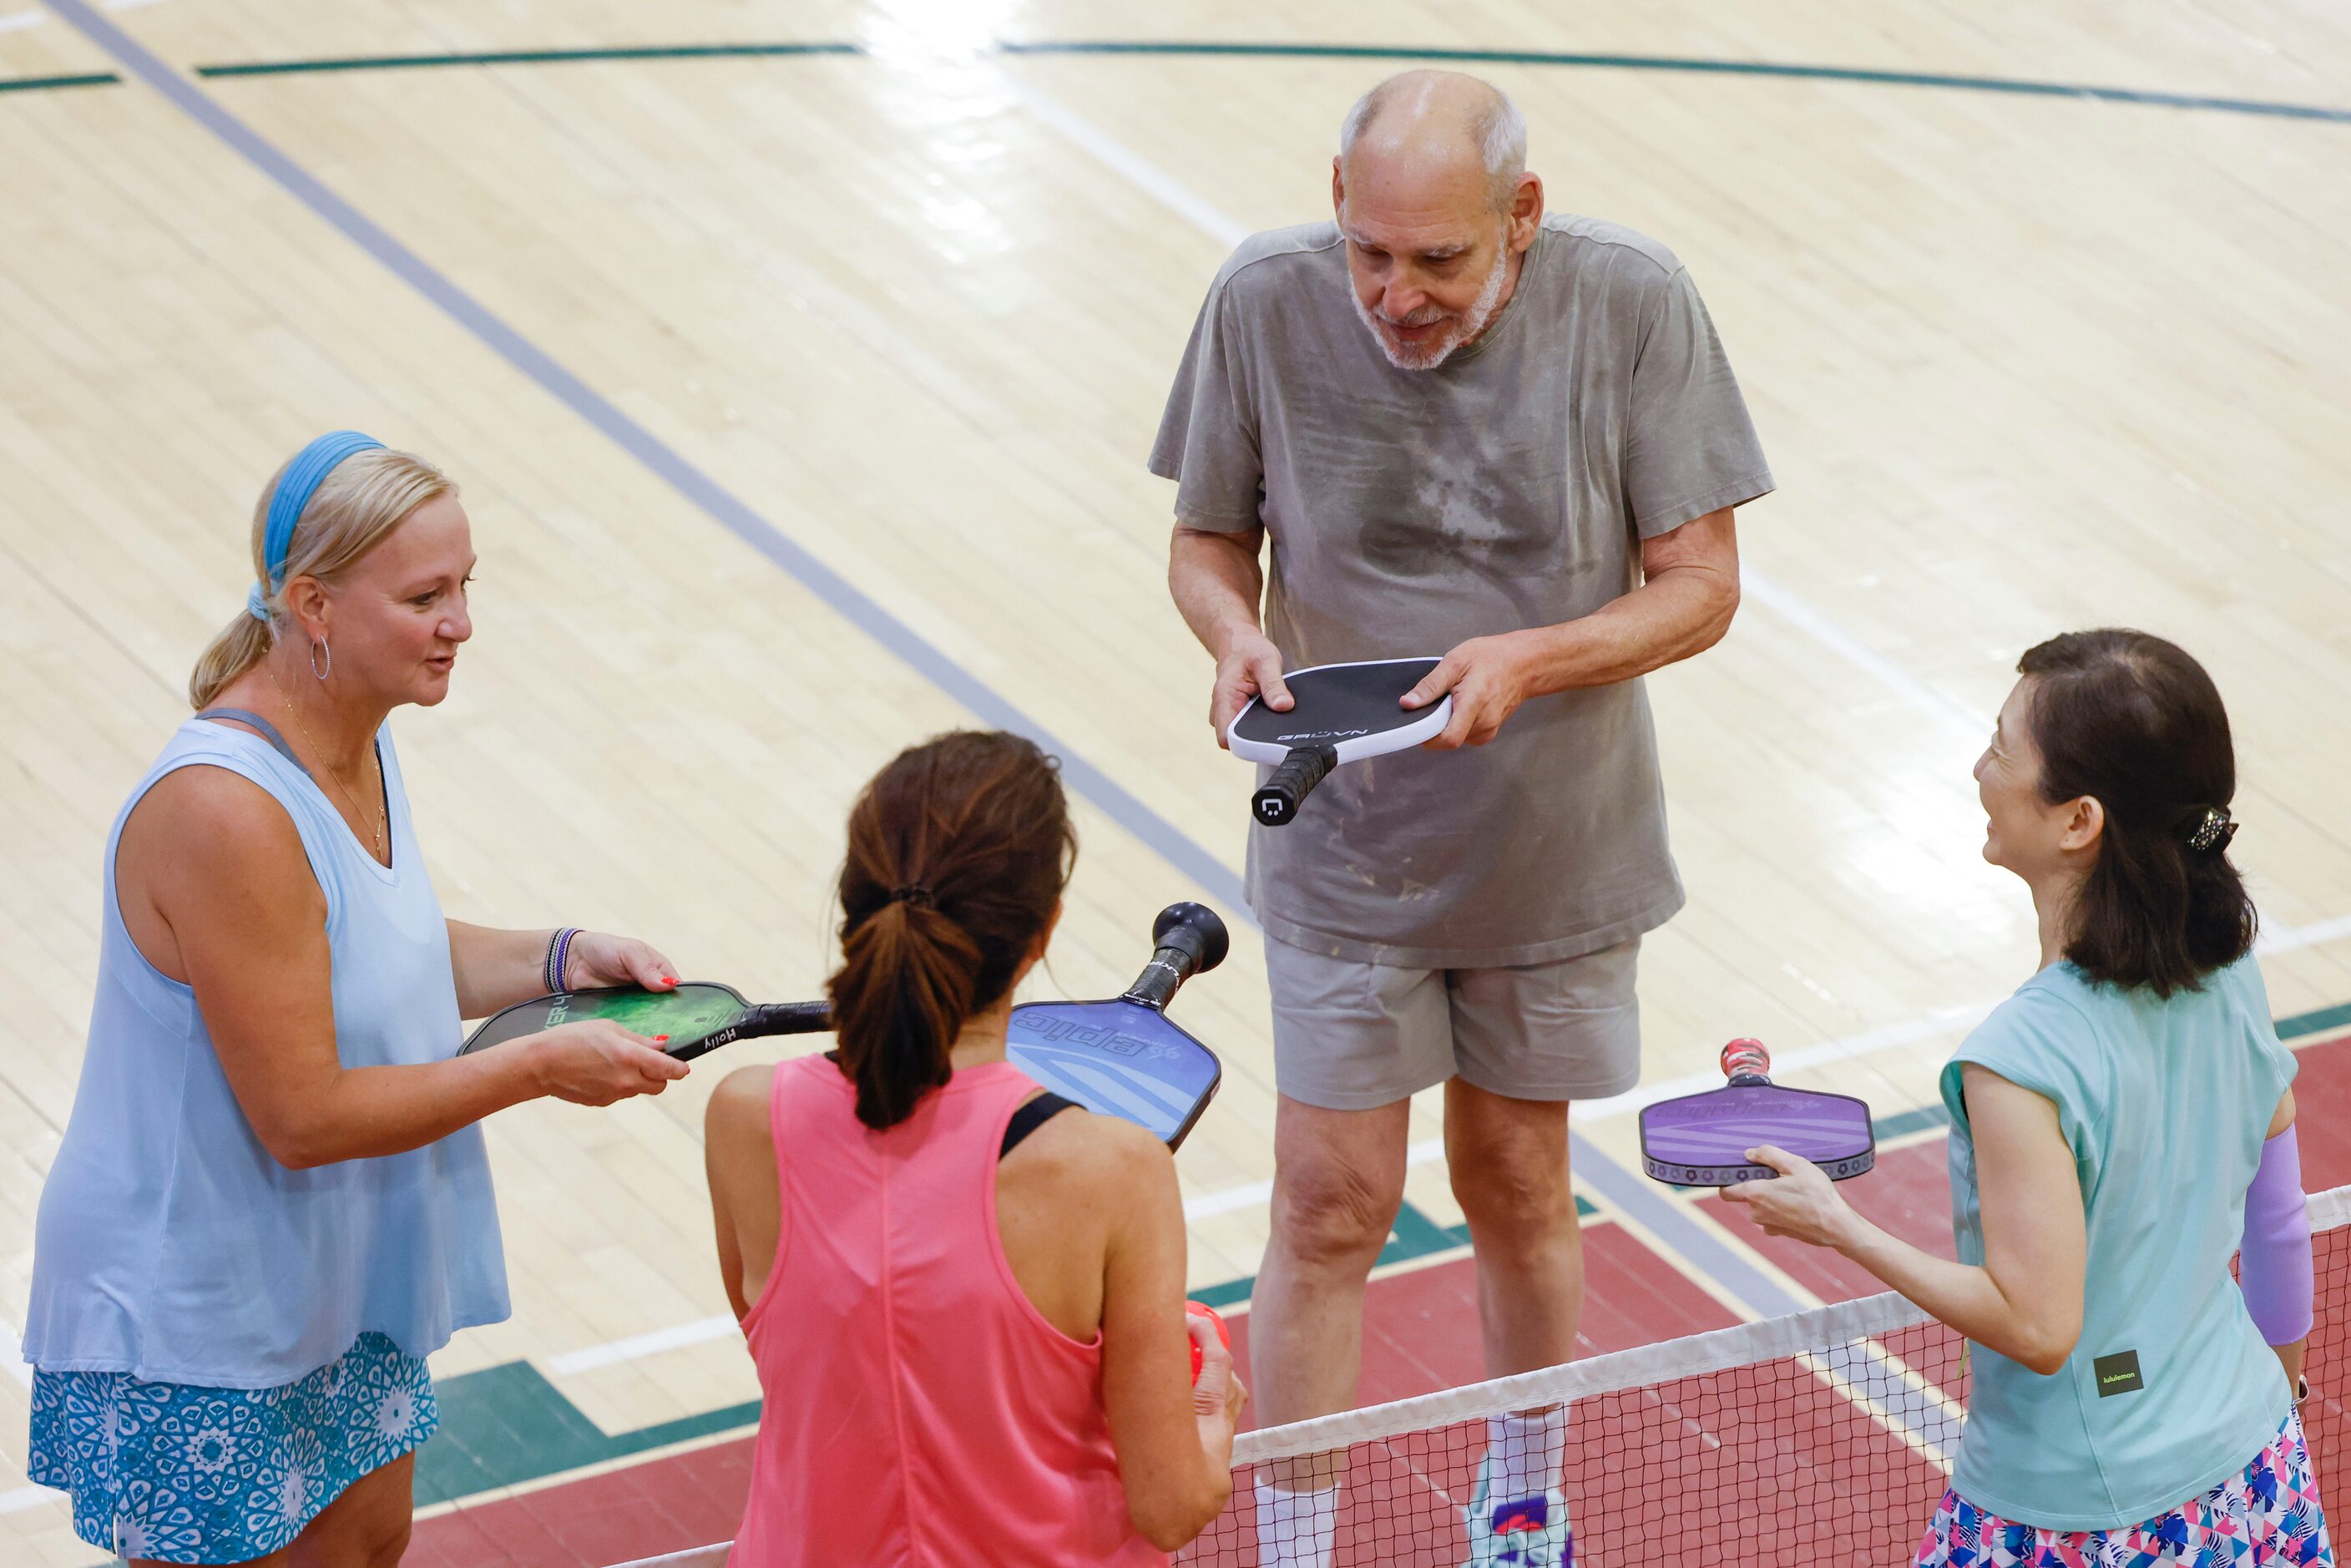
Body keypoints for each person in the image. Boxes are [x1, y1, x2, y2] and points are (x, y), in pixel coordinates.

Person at [1151, 68, 1771, 1566]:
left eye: (1438, 262)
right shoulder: (1262, 297)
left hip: (1551, 845)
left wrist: (1534, 655)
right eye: (1372, 251)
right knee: (1323, 1204)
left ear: (1524, 217)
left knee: (1515, 1179)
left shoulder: (1631, 303)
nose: (1395, 295)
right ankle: (1296, 1539)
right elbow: (1203, 542)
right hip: (1346, 843)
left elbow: (1702, 586)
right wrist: (1231, 632)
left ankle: (1522, 1491)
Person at [23, 432, 690, 1568]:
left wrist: (559, 959)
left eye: (465, 586)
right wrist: (538, 1062)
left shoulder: (354, 741)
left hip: (328, 1271)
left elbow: (361, 951)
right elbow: (304, 1114)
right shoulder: (224, 809)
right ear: (313, 604)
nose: (462, 622)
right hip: (201, 1314)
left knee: (370, 1549)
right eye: (426, 595)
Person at [1727, 630, 2332, 1565]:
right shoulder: (2228, 969)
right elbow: (2277, 1213)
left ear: (2076, 820)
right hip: (2255, 1476)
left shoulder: (2016, 1061)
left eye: (2001, 747)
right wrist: (2273, 1392)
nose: (1979, 766)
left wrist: (1837, 1225)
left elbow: (2037, 1326)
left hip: (2079, 1520)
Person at [703, 730, 1246, 1565]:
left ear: (856, 906)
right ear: (1042, 933)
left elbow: (817, 1366)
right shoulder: (1111, 1169)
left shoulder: (743, 1117)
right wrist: (1210, 1410)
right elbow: (1171, 1505)